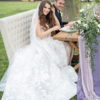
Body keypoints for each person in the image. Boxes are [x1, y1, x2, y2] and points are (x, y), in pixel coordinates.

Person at [0, 1, 77, 100]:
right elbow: (40, 36)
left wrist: (53, 14)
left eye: (49, 8)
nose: (47, 10)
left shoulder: (47, 16)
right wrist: (51, 29)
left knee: (62, 46)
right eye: (45, 7)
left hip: (47, 41)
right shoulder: (37, 18)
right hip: (39, 44)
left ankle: (64, 65)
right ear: (41, 8)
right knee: (50, 55)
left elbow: (58, 25)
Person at [53, 0, 74, 65]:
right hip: (54, 36)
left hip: (58, 33)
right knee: (71, 43)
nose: (62, 5)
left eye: (63, 4)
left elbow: (60, 22)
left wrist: (68, 23)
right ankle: (67, 64)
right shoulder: (51, 10)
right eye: (60, 3)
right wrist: (67, 25)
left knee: (73, 41)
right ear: (55, 1)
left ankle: (70, 61)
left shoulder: (57, 10)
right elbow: (55, 27)